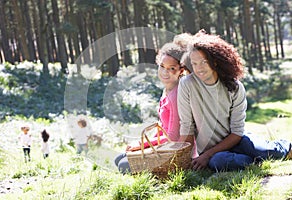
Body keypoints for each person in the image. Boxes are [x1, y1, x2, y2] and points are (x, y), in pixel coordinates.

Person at [177, 30, 292, 172]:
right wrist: (185, 160)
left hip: (238, 140)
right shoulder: (186, 84)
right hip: (214, 153)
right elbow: (186, 126)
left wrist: (206, 156)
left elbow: (237, 132)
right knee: (219, 162)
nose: (199, 68)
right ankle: (254, 161)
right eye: (194, 64)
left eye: (204, 62)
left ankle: (284, 147)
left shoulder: (234, 87)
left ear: (215, 61)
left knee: (266, 151)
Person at [114, 41, 194, 174]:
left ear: (181, 71)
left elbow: (173, 136)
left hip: (175, 150)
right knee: (119, 159)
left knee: (123, 165)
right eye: (162, 66)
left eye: (171, 68)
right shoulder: (167, 90)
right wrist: (143, 145)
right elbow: (162, 127)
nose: (165, 72)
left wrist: (143, 146)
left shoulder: (176, 95)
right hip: (164, 145)